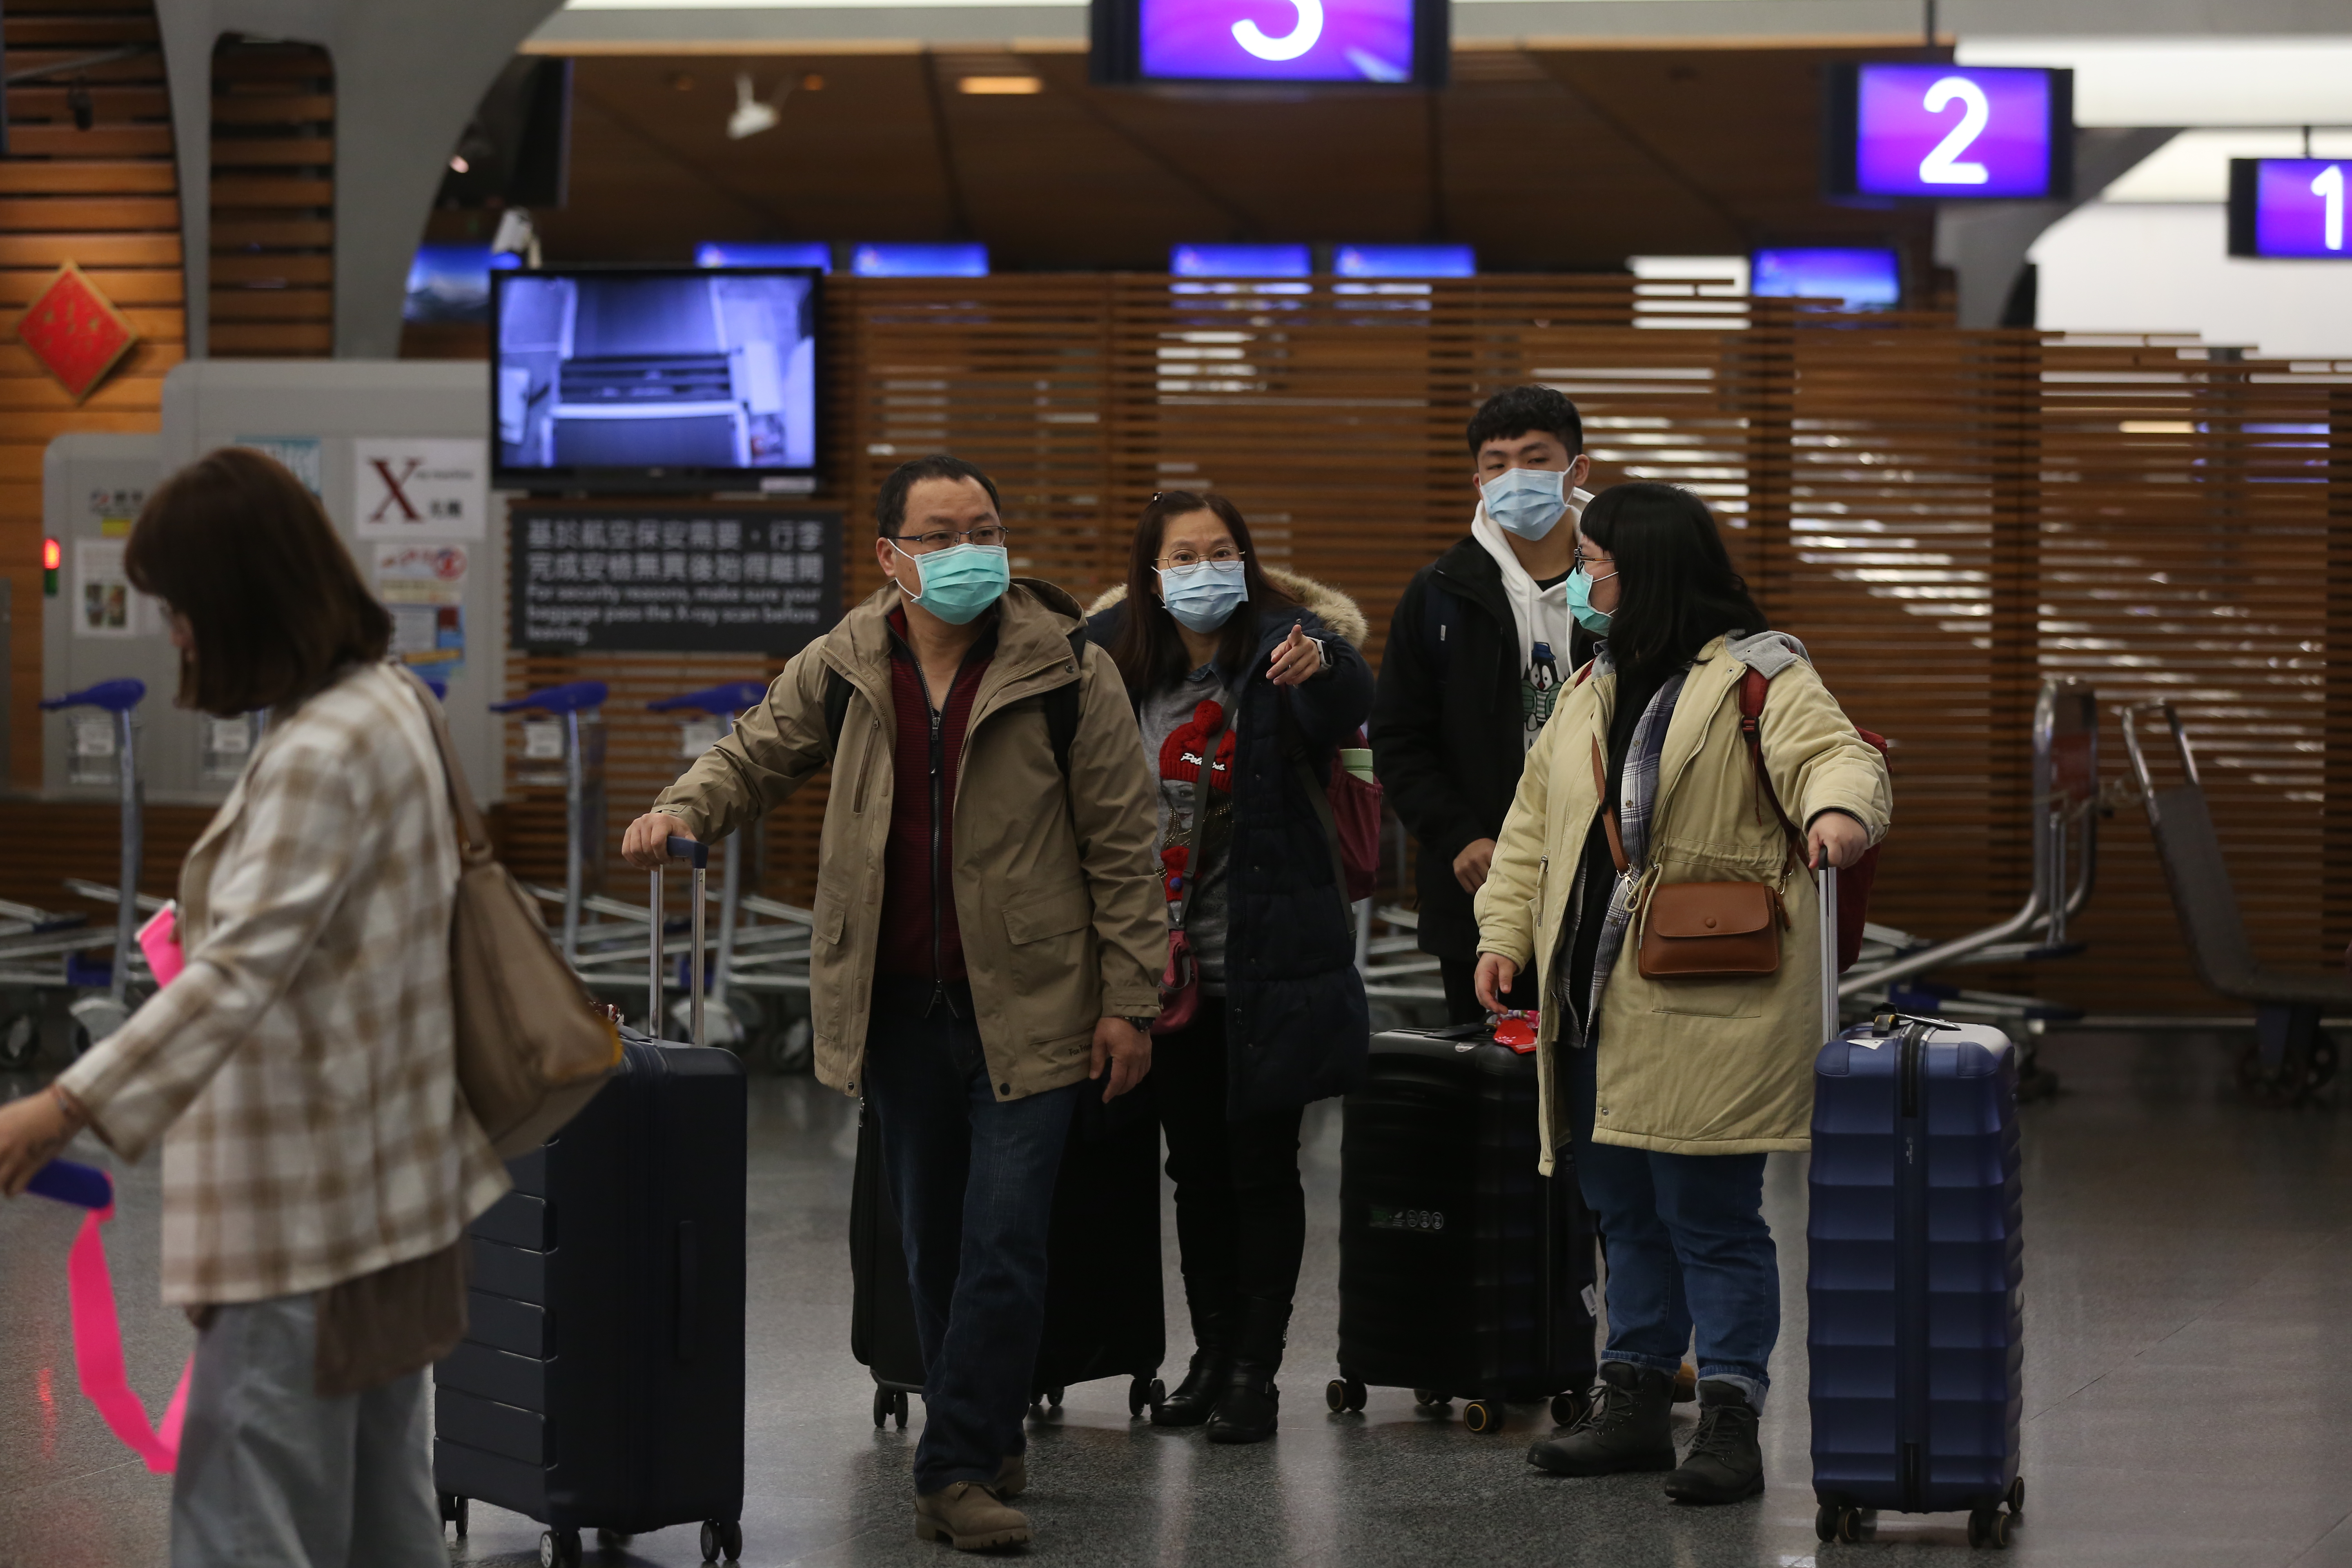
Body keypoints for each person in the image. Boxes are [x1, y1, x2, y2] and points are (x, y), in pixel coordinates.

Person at [620, 454, 1164, 1552]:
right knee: (930, 1239)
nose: (969, 549)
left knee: (1007, 1236)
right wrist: (683, 808)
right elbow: (753, 753)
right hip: (897, 1005)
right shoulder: (846, 662)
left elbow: (1124, 840)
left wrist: (1131, 999)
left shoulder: (1067, 669)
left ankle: (954, 1469)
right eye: (942, 531)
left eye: (985, 526)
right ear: (890, 555)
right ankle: (985, 1421)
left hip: (1036, 999)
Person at [0, 447, 510, 1567]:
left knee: (247, 1518)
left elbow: (242, 972)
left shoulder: (323, 747)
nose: (175, 633)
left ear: (241, 600)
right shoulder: (390, 704)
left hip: (307, 1216)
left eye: (182, 608)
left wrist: (60, 1108)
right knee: (382, 1518)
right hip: (394, 1195)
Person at [1470, 481, 1891, 1505]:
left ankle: (1734, 1416)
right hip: (1591, 998)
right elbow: (1532, 830)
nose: (1582, 577)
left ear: (1647, 568)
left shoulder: (1760, 674)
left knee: (1710, 1211)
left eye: (1597, 561)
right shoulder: (1588, 688)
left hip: (1710, 993)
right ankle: (1636, 1399)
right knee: (1621, 1210)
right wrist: (1502, 933)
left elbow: (1839, 757)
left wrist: (1837, 814)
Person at [1085, 491, 1374, 1445]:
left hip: (1264, 962)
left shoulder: (1289, 645)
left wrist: (1318, 667)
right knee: (1194, 1173)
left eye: (1223, 551)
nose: (1205, 568)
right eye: (1184, 553)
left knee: (1260, 1169)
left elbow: (1348, 706)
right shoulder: (1117, 663)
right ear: (1152, 570)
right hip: (1157, 973)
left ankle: (1257, 1369)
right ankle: (1208, 1358)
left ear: (1247, 561)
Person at [1371, 385, 1598, 1025]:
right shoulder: (1439, 592)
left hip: (1608, 880)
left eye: (1535, 458)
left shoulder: (1622, 582)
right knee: (1488, 1096)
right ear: (1478, 480)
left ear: (1576, 470)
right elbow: (1398, 738)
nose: (1515, 476)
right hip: (1479, 881)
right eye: (1498, 463)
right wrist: (1457, 835)